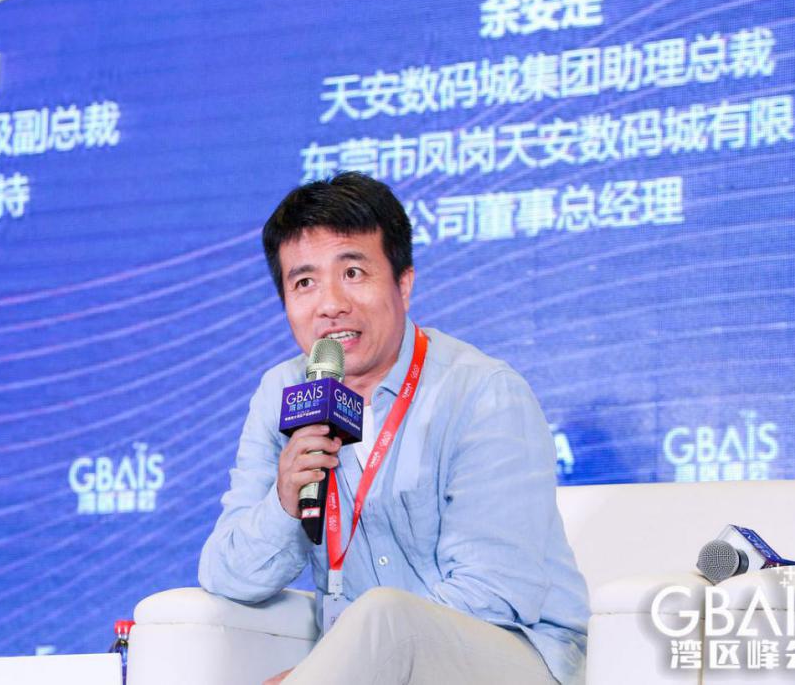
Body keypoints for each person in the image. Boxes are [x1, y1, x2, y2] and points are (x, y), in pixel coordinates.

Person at [198, 172, 589, 685]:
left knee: (387, 616)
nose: (330, 303)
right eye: (304, 283)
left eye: (353, 272)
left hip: (512, 657)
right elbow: (225, 574)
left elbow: (494, 592)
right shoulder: (283, 393)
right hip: (363, 667)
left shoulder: (482, 392)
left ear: (404, 284)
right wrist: (284, 503)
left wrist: (350, 660)